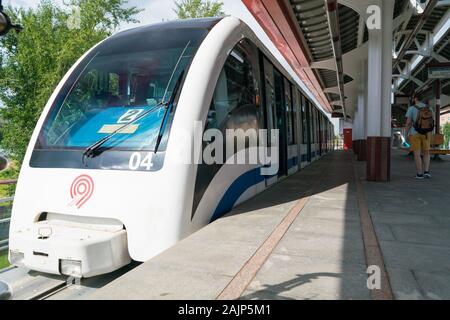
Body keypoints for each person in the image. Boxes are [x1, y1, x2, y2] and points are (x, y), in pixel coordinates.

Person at [405, 93, 434, 179]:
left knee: (417, 154)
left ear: (415, 99)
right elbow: (432, 121)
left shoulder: (412, 108)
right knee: (426, 152)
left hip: (415, 133)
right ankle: (427, 172)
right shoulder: (429, 108)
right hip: (426, 133)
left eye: (413, 98)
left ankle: (419, 174)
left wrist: (406, 134)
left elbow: (408, 123)